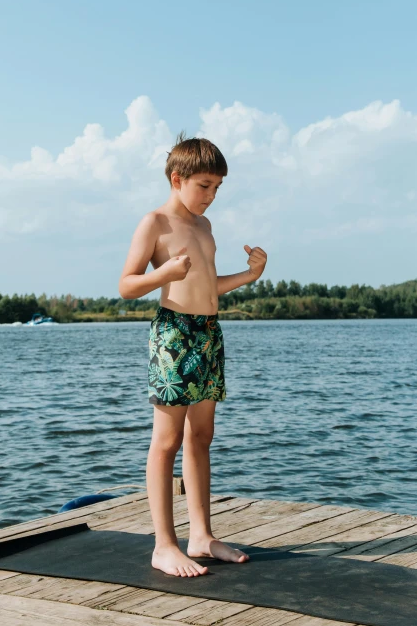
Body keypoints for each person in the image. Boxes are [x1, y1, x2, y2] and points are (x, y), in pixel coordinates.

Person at [118, 131, 267, 578]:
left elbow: (207, 287)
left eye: (218, 188)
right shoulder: (155, 223)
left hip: (208, 332)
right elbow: (126, 285)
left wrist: (250, 275)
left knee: (201, 437)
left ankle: (200, 535)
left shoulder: (204, 227)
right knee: (166, 442)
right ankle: (164, 545)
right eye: (205, 186)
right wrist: (161, 272)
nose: (211, 196)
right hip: (174, 335)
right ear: (177, 178)